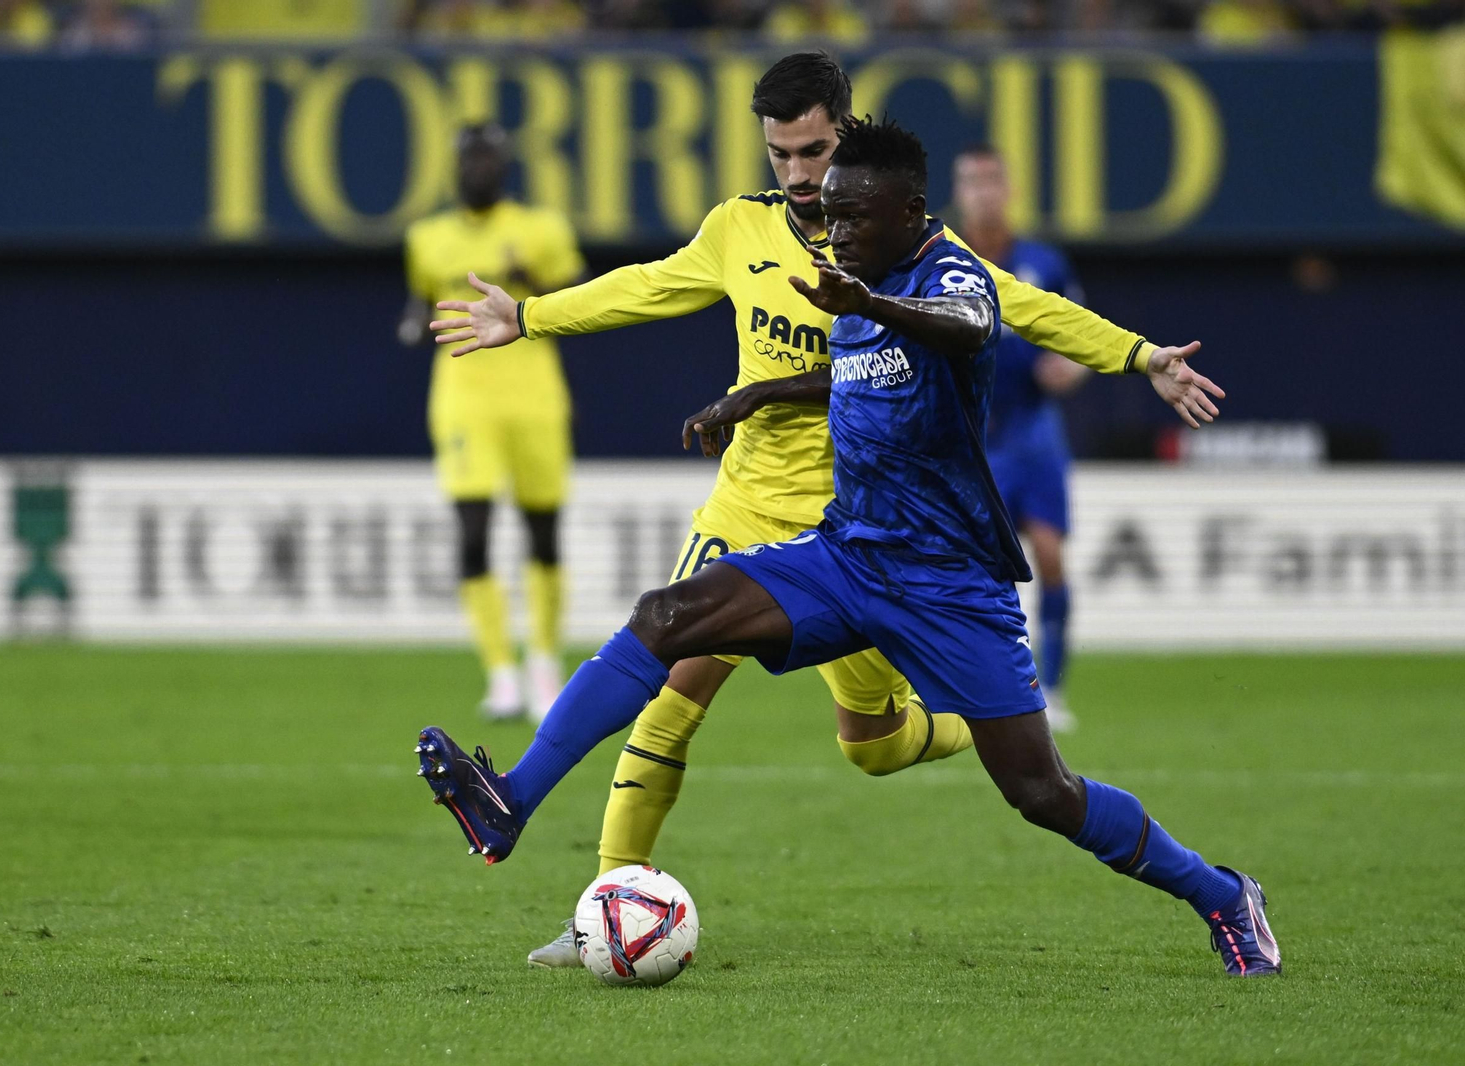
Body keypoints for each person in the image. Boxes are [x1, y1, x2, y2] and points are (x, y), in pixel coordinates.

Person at [416, 118, 1276, 978]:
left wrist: (1131, 356)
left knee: (1041, 792)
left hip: (946, 583)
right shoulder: (850, 279)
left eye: (854, 217)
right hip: (847, 555)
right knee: (667, 616)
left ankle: (1222, 894)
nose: (835, 233)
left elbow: (967, 325)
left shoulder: (946, 274)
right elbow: (854, 369)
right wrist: (759, 393)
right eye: (829, 215)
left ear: (910, 210)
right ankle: (510, 800)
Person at [400, 124, 585, 722]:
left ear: (504, 166)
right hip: (463, 399)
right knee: (473, 532)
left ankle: (544, 664)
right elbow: (421, 306)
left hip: (534, 396)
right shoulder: (426, 238)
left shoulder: (541, 229)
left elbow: (580, 299)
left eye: (488, 158)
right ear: (455, 165)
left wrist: (533, 283)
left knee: (543, 532)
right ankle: (501, 673)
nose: (478, 168)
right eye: (469, 158)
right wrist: (413, 326)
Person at [952, 143, 1087, 732]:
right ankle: (988, 682)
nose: (983, 192)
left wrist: (1069, 368)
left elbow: (1079, 336)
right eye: (972, 181)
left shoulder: (1043, 263)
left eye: (991, 180)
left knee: (1049, 554)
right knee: (976, 565)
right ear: (959, 193)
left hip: (1032, 427)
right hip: (969, 431)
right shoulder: (941, 261)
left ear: (1009, 190)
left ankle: (1051, 687)